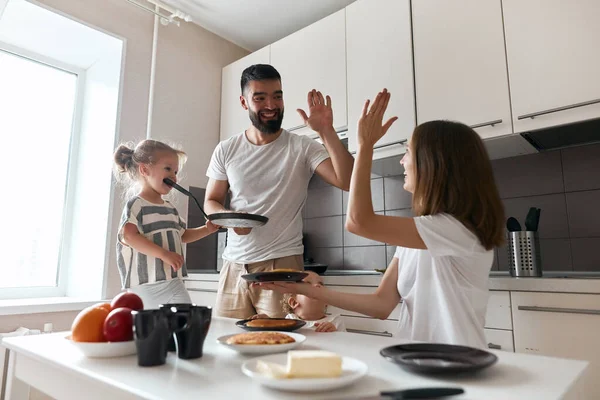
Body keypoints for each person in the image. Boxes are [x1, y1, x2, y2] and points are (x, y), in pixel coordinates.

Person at [256, 89, 505, 348]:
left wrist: (365, 145)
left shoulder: (458, 230)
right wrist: (303, 290)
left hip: (459, 364)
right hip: (414, 361)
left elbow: (358, 221)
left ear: (434, 163)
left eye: (408, 152)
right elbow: (381, 305)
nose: (402, 160)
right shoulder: (418, 236)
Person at [204, 64, 354, 319]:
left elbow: (349, 180)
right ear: (244, 102)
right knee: (226, 346)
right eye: (260, 98)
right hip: (233, 266)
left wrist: (326, 131)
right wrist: (230, 218)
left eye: (277, 95)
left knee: (279, 347)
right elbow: (211, 201)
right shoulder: (226, 149)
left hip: (282, 264)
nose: (271, 105)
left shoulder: (302, 147)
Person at [113, 140, 219, 309]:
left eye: (176, 171)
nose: (174, 176)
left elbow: (183, 235)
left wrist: (207, 229)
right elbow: (129, 236)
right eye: (168, 168)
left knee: (184, 322)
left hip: (173, 281)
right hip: (145, 285)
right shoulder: (137, 205)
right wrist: (164, 254)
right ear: (145, 169)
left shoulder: (169, 208)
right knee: (152, 330)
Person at [252, 271, 346, 332]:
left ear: (327, 301)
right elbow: (278, 335)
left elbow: (346, 346)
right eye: (308, 285)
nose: (317, 286)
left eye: (320, 284)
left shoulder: (336, 321)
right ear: (293, 303)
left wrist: (335, 333)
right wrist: (267, 322)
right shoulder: (290, 320)